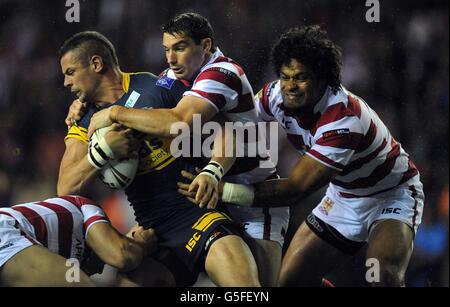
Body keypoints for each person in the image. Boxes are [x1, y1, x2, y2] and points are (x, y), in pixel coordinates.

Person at [181, 25, 425, 287]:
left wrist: (224, 191)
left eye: (300, 77)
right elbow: (238, 124)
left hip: (391, 194)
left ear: (323, 78)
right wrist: (212, 167)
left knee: (383, 275)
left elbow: (294, 189)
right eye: (285, 76)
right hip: (343, 197)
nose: (290, 86)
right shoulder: (275, 94)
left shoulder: (343, 121)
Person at [81, 13, 289, 285]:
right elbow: (147, 104)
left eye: (179, 48)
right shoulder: (175, 75)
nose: (170, 59)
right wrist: (82, 106)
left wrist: (115, 113)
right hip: (211, 196)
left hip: (254, 199)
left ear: (205, 46)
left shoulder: (221, 73)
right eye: (166, 50)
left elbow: (176, 122)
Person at [0, 195, 155, 287]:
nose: (99, 270)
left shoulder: (81, 266)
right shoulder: (88, 209)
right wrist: (143, 246)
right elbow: (121, 256)